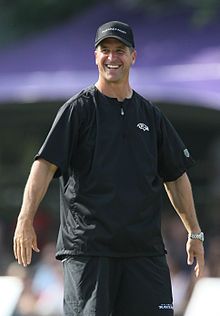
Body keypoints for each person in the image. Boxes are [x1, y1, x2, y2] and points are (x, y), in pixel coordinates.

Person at [13, 21, 205, 316]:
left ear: (133, 57)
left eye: (120, 50)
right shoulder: (78, 109)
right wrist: (25, 219)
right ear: (95, 56)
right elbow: (44, 166)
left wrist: (194, 232)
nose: (112, 57)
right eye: (105, 50)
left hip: (144, 253)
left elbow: (176, 176)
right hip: (90, 252)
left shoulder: (150, 116)